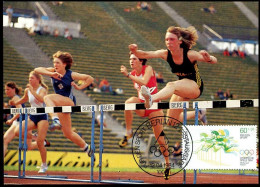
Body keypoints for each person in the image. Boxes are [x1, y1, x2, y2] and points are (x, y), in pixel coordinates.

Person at [129, 26, 218, 126]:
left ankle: (151, 99)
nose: (168, 41)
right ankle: (199, 113)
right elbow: (145, 54)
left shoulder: (190, 54)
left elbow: (214, 60)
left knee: (171, 85)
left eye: (171, 39)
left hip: (195, 86)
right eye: (166, 39)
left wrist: (209, 58)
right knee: (171, 121)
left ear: (180, 41)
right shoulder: (165, 54)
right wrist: (135, 51)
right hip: (182, 88)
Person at [34, 51, 96, 161]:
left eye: (58, 63)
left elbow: (89, 78)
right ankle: (87, 148)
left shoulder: (70, 74)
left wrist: (79, 87)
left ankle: (55, 120)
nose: (55, 65)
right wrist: (51, 74)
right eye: (54, 62)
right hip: (59, 105)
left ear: (64, 64)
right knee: (68, 133)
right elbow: (37, 70)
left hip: (69, 102)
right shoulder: (53, 71)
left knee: (47, 98)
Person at [119, 52, 171, 180]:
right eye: (130, 59)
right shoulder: (134, 74)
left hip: (154, 106)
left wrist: (128, 75)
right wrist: (130, 75)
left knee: (160, 139)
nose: (131, 61)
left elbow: (144, 81)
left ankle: (167, 164)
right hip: (143, 105)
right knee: (129, 102)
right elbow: (139, 89)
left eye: (134, 59)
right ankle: (128, 132)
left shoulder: (148, 69)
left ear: (141, 61)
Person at [10, 71, 50, 173]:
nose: (29, 80)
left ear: (38, 79)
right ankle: (35, 137)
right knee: (17, 132)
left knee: (40, 143)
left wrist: (32, 91)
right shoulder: (28, 90)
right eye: (29, 78)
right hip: (32, 117)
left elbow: (41, 100)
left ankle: (44, 165)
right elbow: (24, 99)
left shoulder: (42, 90)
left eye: (32, 78)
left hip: (42, 117)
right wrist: (15, 103)